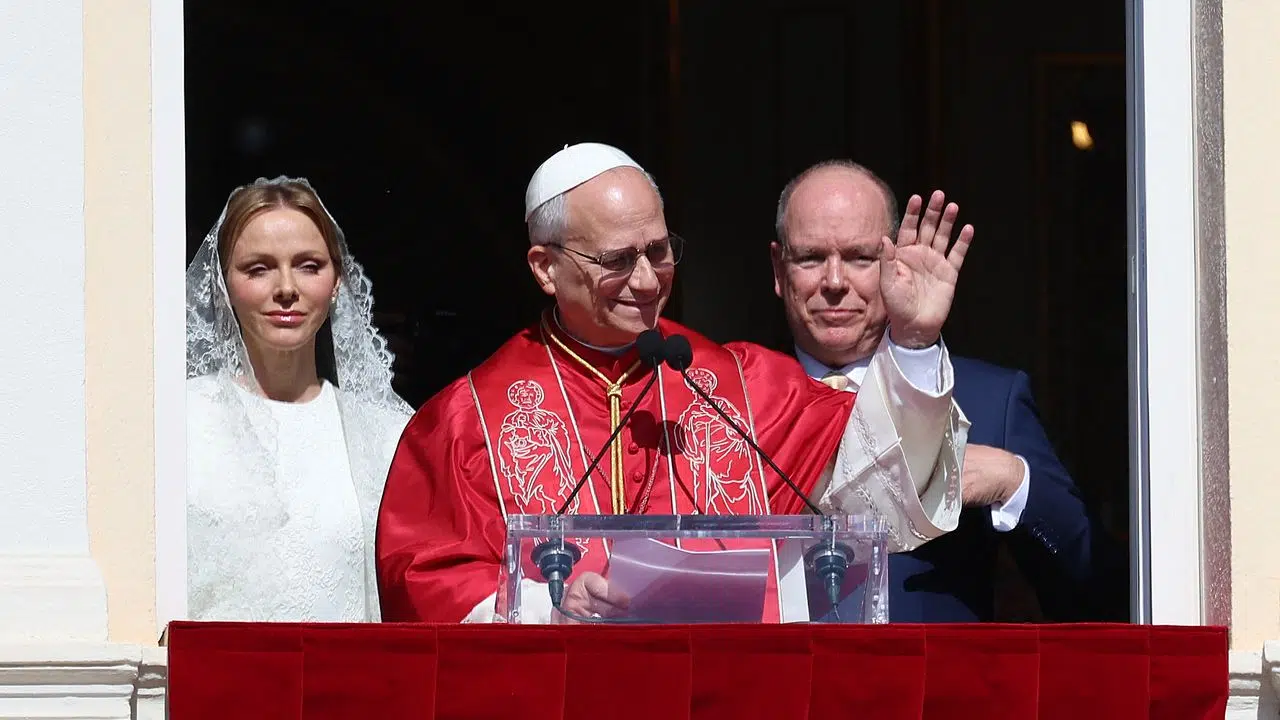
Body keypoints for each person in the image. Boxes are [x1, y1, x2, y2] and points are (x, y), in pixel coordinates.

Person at [376, 142, 977, 624]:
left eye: (659, 252)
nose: (646, 282)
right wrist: (545, 608)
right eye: (617, 260)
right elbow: (423, 584)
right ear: (545, 268)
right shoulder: (467, 418)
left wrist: (915, 342)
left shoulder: (742, 386)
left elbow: (885, 492)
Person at [767, 159, 1126, 621]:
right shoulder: (731, 399)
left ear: (894, 259)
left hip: (937, 690)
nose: (835, 283)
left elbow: (1098, 590)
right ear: (779, 268)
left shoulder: (987, 402)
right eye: (811, 258)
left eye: (860, 257)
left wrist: (1015, 482)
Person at [185, 176, 413, 622]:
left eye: (309, 265)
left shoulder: (385, 435)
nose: (286, 287)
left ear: (335, 281)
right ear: (223, 284)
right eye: (258, 268)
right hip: (212, 681)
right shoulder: (179, 420)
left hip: (345, 682)